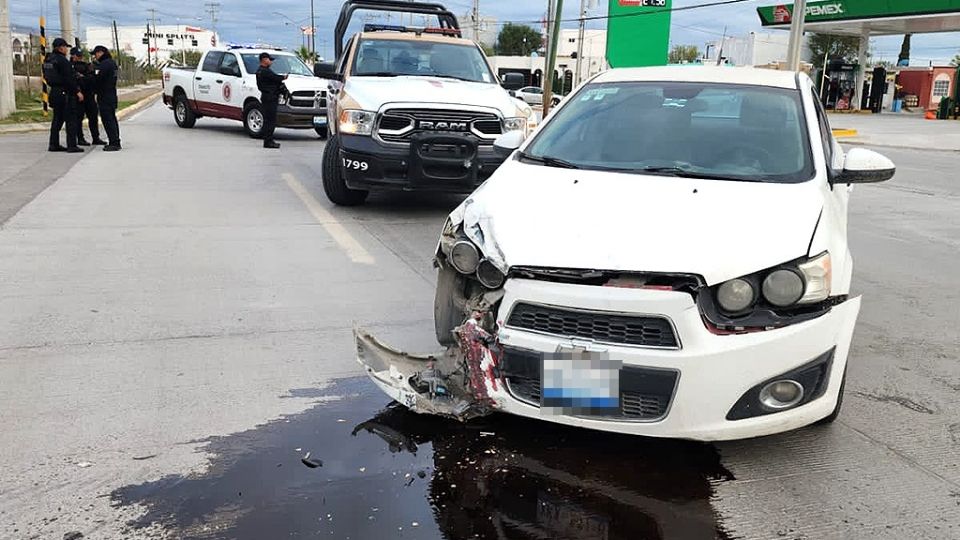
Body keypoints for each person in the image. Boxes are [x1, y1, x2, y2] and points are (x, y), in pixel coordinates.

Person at [44, 38, 84, 153]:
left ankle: (53, 144)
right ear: (60, 47)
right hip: (65, 93)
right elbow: (68, 79)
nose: (67, 49)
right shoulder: (62, 61)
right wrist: (77, 91)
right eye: (65, 47)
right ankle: (72, 145)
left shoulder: (48, 60)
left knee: (57, 119)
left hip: (54, 92)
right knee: (71, 119)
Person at [70, 47, 105, 146]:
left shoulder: (87, 66)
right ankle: (80, 138)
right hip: (78, 95)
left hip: (89, 94)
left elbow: (92, 79)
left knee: (93, 117)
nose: (80, 58)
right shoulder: (70, 67)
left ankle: (96, 137)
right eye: (77, 56)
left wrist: (83, 78)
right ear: (73, 56)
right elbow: (73, 80)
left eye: (81, 56)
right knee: (78, 118)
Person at [255, 52, 287, 149]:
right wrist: (284, 77)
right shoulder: (265, 71)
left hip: (266, 97)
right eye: (269, 60)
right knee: (270, 121)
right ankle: (268, 141)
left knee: (268, 120)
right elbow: (276, 78)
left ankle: (268, 140)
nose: (271, 62)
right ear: (264, 60)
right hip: (270, 98)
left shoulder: (260, 71)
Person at [92, 45, 121, 151]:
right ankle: (115, 140)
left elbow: (98, 80)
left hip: (104, 95)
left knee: (108, 119)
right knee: (112, 118)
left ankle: (114, 142)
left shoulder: (104, 65)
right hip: (111, 94)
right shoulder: (112, 63)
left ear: (101, 52)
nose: (95, 56)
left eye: (96, 54)